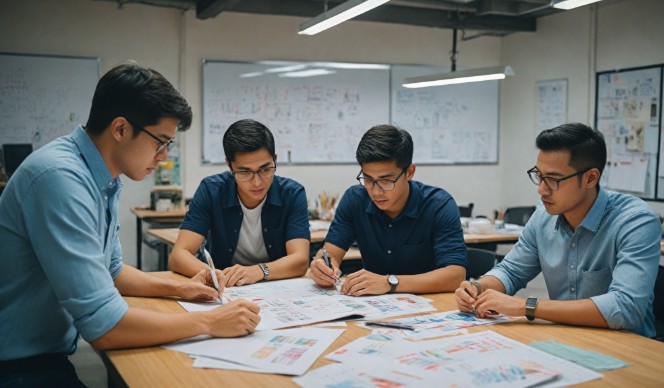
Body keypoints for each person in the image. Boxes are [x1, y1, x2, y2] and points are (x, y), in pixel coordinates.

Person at [0, 62, 260, 387]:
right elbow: (104, 327)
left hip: (43, 357)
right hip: (17, 367)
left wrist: (182, 288)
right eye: (160, 142)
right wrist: (210, 322)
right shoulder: (59, 178)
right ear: (120, 129)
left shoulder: (103, 177)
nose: (164, 156)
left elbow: (111, 270)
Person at [455, 123, 661, 337]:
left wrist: (527, 306)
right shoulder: (543, 218)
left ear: (591, 178)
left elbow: (625, 308)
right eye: (539, 175)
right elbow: (510, 271)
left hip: (627, 346)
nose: (541, 189)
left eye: (553, 180)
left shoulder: (635, 221)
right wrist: (479, 288)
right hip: (564, 336)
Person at [310, 124, 467, 296]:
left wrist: (390, 283)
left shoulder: (439, 205)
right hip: (372, 307)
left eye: (386, 181)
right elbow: (330, 254)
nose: (376, 192)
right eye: (368, 179)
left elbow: (455, 275)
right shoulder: (355, 199)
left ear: (409, 172)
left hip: (429, 304)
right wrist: (321, 266)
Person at [168, 119, 310, 287]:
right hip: (226, 287)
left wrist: (258, 271)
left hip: (274, 285)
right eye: (244, 172)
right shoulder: (211, 190)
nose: (257, 182)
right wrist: (215, 275)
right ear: (229, 165)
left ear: (275, 160)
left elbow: (300, 260)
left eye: (265, 169)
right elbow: (178, 255)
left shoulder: (292, 194)